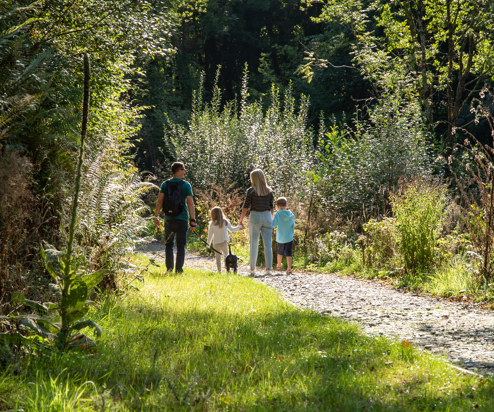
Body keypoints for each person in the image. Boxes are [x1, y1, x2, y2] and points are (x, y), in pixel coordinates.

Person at [154, 162, 196, 273]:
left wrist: (156, 216)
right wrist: (193, 220)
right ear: (178, 170)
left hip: (168, 219)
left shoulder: (165, 184)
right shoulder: (186, 185)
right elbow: (191, 203)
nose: (185, 171)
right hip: (182, 219)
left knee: (169, 244)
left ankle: (169, 270)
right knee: (181, 245)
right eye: (183, 169)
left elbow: (160, 201)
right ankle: (179, 270)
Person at [238, 169, 274, 276]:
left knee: (254, 242)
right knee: (268, 244)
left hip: (255, 216)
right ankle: (268, 269)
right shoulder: (269, 190)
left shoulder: (251, 191)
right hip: (267, 216)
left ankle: (253, 269)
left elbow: (245, 206)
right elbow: (271, 207)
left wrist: (241, 220)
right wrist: (270, 219)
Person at [206, 207, 243, 272]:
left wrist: (208, 244)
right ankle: (227, 270)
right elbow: (232, 229)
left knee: (218, 258)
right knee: (226, 257)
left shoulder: (212, 224)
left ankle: (219, 271)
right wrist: (239, 227)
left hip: (216, 243)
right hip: (224, 242)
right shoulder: (225, 222)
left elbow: (210, 235)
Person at [272, 197, 295, 274]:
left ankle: (279, 266)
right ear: (286, 206)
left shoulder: (277, 214)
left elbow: (274, 225)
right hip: (289, 237)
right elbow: (293, 226)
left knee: (280, 252)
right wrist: (292, 235)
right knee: (289, 253)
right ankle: (289, 268)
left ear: (277, 206)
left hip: (280, 237)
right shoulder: (291, 215)